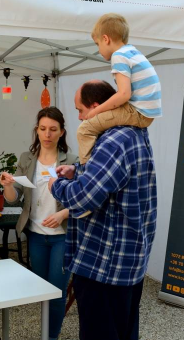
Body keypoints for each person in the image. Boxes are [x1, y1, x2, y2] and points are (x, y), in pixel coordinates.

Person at [49, 80, 157, 340]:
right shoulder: (134, 132)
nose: (79, 117)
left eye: (80, 110)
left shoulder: (112, 141)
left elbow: (82, 198)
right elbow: (115, 180)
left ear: (96, 106)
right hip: (127, 263)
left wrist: (57, 185)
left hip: (104, 266)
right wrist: (77, 171)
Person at [0, 107, 77, 340]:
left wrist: (62, 214)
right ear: (37, 130)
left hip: (62, 235)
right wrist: (8, 186)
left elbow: (83, 198)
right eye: (43, 129)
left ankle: (51, 336)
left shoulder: (71, 161)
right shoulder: (27, 158)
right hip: (35, 234)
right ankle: (46, 332)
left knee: (56, 292)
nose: (47, 134)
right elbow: (14, 198)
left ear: (62, 132)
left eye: (53, 129)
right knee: (42, 290)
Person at [77, 13, 162, 174]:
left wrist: (96, 111)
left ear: (106, 39)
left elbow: (123, 94)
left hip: (137, 112)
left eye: (97, 44)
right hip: (146, 112)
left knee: (85, 129)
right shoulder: (132, 52)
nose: (98, 50)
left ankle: (86, 172)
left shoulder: (118, 56)